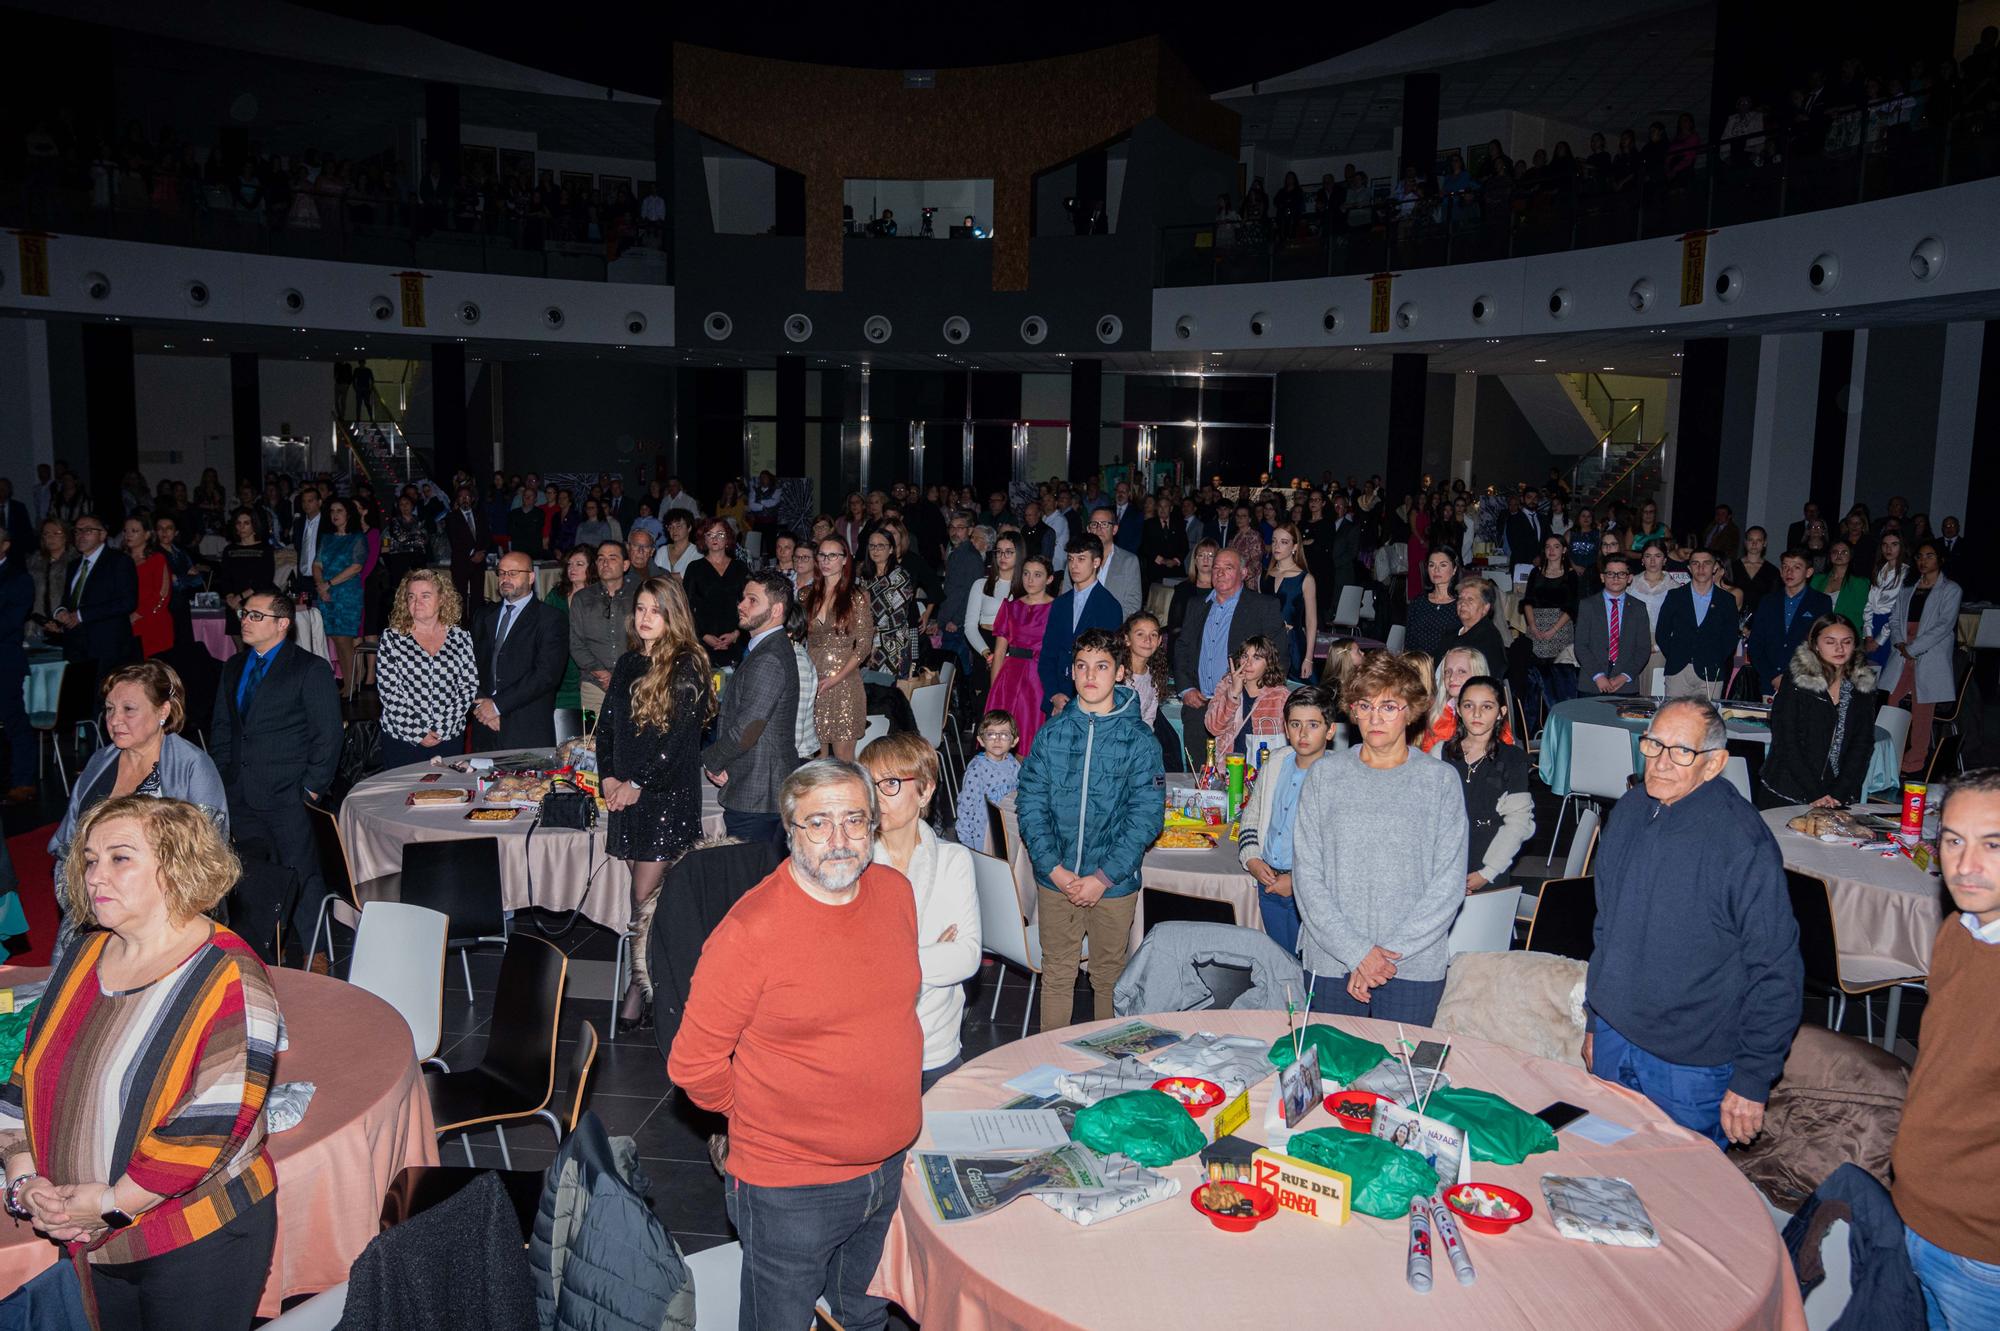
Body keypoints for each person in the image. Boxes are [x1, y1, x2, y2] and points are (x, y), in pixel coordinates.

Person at [0, 796, 280, 1328]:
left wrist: (110, 1203)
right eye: (88, 860)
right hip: (88, 1233)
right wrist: (25, 1180)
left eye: (119, 858)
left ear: (176, 868)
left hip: (196, 1236)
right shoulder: (85, 955)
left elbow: (211, 1124)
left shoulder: (229, 977)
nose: (93, 876)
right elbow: (25, 1075)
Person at [668, 760, 918, 1331]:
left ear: (875, 826)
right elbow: (693, 1064)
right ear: (789, 829)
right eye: (818, 823)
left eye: (854, 821)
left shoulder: (895, 894)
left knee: (867, 1316)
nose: (838, 840)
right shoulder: (749, 933)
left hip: (889, 1168)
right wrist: (760, 1119)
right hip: (791, 1191)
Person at [1584, 697, 1801, 1147]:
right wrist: (1594, 1019)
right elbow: (1606, 926)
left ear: (1714, 764)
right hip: (1614, 1036)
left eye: (1681, 751)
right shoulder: (1627, 813)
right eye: (1653, 745)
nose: (1661, 763)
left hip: (1690, 1064)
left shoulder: (1741, 843)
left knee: (1681, 1199)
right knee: (1603, 1176)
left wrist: (1752, 1078)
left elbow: (1777, 969)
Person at [1293, 651, 1467, 1024]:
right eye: (1365, 705)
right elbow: (1307, 877)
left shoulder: (1439, 782)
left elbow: (1448, 886)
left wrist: (1382, 958)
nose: (1375, 717)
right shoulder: (1325, 776)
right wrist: (1357, 953)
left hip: (1413, 965)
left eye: (1389, 706)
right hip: (1332, 959)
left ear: (1411, 710)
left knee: (1406, 1081)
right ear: (1351, 711)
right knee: (1332, 1078)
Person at [1894, 768, 2000, 1329]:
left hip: (1983, 1257)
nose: (1966, 865)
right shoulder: (1959, 930)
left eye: (1993, 844)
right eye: (1954, 840)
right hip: (1918, 1216)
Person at [1018, 627, 1165, 1030]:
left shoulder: (1139, 741)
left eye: (1101, 666)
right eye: (1082, 666)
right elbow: (1030, 805)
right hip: (1057, 880)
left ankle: (1108, 1071)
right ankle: (1049, 1073)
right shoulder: (1052, 734)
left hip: (1112, 883)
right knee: (1058, 975)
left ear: (1120, 673)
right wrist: (1055, 869)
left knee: (1109, 978)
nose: (1090, 675)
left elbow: (1146, 817)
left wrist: (1103, 877)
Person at [46, 659, 228, 942]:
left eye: (129, 709)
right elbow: (68, 845)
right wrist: (88, 902)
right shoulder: (99, 763)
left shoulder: (192, 767)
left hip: (165, 925)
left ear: (163, 711)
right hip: (95, 911)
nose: (115, 720)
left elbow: (206, 859)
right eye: (109, 709)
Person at [601, 576, 714, 1028]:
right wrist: (608, 775)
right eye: (641, 609)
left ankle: (638, 985)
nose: (645, 618)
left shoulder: (688, 664)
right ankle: (667, 977)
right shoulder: (629, 661)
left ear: (672, 615)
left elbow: (678, 739)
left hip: (665, 796)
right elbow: (607, 726)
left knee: (641, 896)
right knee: (652, 903)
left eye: (655, 610)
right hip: (626, 794)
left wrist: (638, 783)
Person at [210, 589, 342, 956]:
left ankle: (317, 950)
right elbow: (223, 727)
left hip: (289, 793)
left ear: (282, 624)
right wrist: (224, 775)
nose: (246, 622)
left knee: (301, 872)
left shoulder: (309, 668)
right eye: (245, 615)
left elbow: (328, 735)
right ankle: (260, 950)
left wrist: (312, 789)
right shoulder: (234, 666)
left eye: (256, 616)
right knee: (250, 874)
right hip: (240, 790)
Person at [861, 731, 979, 1091]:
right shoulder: (853, 865)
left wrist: (888, 963)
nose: (878, 796)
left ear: (925, 790)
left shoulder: (952, 860)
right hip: (867, 1050)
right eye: (870, 784)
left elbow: (967, 958)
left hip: (935, 1047)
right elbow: (849, 967)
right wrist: (930, 956)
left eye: (892, 783)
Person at [1237, 684, 1336, 956]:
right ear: (1285, 726)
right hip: (1268, 879)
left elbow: (1338, 848)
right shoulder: (1276, 762)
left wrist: (1295, 882)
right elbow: (1252, 817)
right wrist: (1253, 859)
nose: (1303, 734)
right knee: (1280, 963)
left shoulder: (1337, 777)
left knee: (1308, 965)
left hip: (1310, 890)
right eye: (1295, 724)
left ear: (1330, 730)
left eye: (1313, 725)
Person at [701, 572, 800, 843]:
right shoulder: (768, 648)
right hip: (759, 786)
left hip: (758, 792)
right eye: (743, 598)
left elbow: (748, 728)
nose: (741, 605)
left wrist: (712, 758)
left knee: (748, 878)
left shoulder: (769, 656)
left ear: (776, 610)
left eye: (752, 600)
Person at [1173, 547, 1287, 762]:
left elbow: (1279, 656)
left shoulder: (1262, 606)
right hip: (1199, 705)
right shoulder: (1196, 605)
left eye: (1228, 567)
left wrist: (1258, 698)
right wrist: (1186, 688)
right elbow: (1182, 648)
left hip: (1242, 710)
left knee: (1243, 781)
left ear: (1243, 573)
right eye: (1216, 568)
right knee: (1200, 779)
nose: (1220, 572)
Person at [1757, 613, 1878, 809]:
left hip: (1837, 793)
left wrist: (1840, 791)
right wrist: (1815, 792)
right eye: (1830, 642)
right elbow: (1787, 740)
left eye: (1846, 642)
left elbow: (1862, 744)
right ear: (1815, 645)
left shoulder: (1862, 685)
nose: (1839, 649)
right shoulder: (1797, 681)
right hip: (1788, 788)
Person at [375, 569, 479, 772]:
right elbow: (389, 692)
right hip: (403, 738)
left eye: (425, 596)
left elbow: (468, 686)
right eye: (411, 596)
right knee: (403, 799)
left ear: (442, 599)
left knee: (449, 796)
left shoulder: (460, 637)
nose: (416, 602)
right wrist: (417, 732)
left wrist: (441, 728)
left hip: (448, 736)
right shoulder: (392, 638)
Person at [1442, 676, 1535, 891]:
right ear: (1458, 709)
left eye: (1487, 706)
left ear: (1501, 712)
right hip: (1445, 862)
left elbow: (1518, 823)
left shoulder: (1513, 759)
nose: (1476, 714)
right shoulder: (1440, 753)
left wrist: (1488, 872)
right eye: (1468, 705)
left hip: (1488, 863)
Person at [1879, 539, 1962, 776]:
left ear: (1940, 559)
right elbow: (1895, 620)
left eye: (1929, 556)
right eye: (1919, 556)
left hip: (1928, 653)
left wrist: (1914, 648)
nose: (1923, 561)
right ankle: (1886, 756)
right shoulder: (1908, 589)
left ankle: (1914, 762)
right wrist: (1899, 642)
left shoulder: (1951, 589)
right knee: (1890, 702)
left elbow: (1944, 625)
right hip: (1903, 650)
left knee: (1922, 709)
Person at [470, 551, 569, 749]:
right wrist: (483, 706)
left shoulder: (550, 618)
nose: (505, 578)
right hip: (484, 725)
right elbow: (468, 664)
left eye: (513, 573)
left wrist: (497, 706)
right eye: (502, 573)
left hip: (527, 727)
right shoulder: (483, 615)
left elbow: (546, 674)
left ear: (531, 577)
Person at [803, 539, 874, 762]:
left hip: (845, 684)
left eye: (832, 556)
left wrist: (836, 678)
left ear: (844, 560)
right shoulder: (805, 595)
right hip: (813, 681)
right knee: (817, 758)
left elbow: (863, 645)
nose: (826, 561)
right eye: (822, 555)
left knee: (845, 758)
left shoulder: (857, 596)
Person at [52, 512, 137, 692]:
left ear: (103, 535)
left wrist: (82, 615)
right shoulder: (74, 565)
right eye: (77, 531)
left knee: (103, 697)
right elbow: (70, 599)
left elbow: (128, 602)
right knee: (77, 698)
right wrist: (60, 611)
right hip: (75, 643)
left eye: (88, 530)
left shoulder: (118, 561)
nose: (81, 535)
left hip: (105, 644)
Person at [986, 555, 1056, 755]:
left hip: (1038, 678)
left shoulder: (1057, 609)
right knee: (1001, 738)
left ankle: (1027, 784)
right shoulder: (1011, 607)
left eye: (1037, 575)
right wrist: (994, 690)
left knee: (1030, 738)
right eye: (1026, 574)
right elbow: (999, 651)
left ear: (1049, 579)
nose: (1030, 580)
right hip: (1009, 677)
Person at [1655, 548, 1741, 699]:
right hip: (1678, 669)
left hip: (1711, 670)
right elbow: (1662, 632)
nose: (1701, 568)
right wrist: (1676, 654)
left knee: (1707, 720)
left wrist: (1715, 658)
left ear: (1715, 567)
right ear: (1689, 568)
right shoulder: (1675, 596)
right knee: (1674, 718)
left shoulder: (1727, 600)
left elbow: (1730, 638)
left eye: (1706, 563)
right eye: (1695, 563)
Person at [569, 539, 641, 717]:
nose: (605, 563)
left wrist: (622, 675)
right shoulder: (582, 599)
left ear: (625, 565)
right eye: (600, 558)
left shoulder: (639, 595)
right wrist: (603, 674)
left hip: (635, 681)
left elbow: (648, 639)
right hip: (594, 683)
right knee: (593, 739)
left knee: (634, 740)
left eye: (612, 558)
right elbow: (575, 643)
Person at [1747, 551, 1833, 695]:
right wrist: (1772, 675)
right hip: (1770, 681)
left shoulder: (1821, 602)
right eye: (1785, 567)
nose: (1789, 571)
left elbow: (1821, 646)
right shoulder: (1768, 601)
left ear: (1809, 572)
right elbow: (1755, 644)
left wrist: (1795, 678)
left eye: (1797, 567)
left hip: (1804, 682)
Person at [1517, 534, 1579, 731]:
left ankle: (1557, 724)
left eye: (1556, 546)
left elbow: (1572, 607)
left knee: (1556, 678)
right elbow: (1527, 601)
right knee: (1534, 678)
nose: (1551, 550)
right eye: (1548, 547)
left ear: (1564, 550)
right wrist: (1533, 626)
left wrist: (1553, 630)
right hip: (1536, 625)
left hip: (1560, 628)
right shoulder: (1536, 572)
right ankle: (1534, 725)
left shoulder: (1571, 575)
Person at [1573, 553, 1653, 696]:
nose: (1616, 578)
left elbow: (1643, 648)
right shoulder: (1587, 605)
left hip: (1626, 685)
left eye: (1621, 574)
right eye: (1610, 574)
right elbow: (1581, 645)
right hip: (1592, 683)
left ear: (1629, 578)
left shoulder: (1639, 607)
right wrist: (1598, 676)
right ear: (1602, 577)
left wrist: (1624, 676)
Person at [313, 498, 366, 701]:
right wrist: (321, 586)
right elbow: (316, 564)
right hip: (326, 594)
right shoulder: (326, 538)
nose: (335, 514)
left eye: (340, 510)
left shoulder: (357, 538)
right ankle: (348, 683)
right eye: (332, 510)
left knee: (345, 641)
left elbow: (356, 567)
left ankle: (351, 684)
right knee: (336, 639)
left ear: (348, 514)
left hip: (347, 595)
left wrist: (329, 584)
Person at [1204, 635, 1289, 758]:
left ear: (1269, 663)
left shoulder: (1280, 696)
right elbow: (1213, 728)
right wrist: (1233, 694)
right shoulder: (1226, 685)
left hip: (1266, 768)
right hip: (1231, 766)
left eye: (1257, 657)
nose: (1248, 663)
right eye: (1245, 656)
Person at [684, 518, 750, 667]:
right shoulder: (694, 568)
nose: (715, 538)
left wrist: (736, 634)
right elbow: (686, 606)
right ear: (703, 540)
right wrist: (703, 635)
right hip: (702, 639)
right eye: (709, 534)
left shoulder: (740, 567)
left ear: (727, 538)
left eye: (720, 534)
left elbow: (749, 603)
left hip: (735, 638)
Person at [952, 710, 1020, 854]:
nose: (997, 739)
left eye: (1004, 734)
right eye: (991, 734)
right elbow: (966, 806)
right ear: (981, 740)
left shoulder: (1014, 764)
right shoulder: (977, 769)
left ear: (1014, 741)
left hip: (1006, 830)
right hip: (981, 834)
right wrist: (967, 841)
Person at [858, 528, 920, 679]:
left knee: (889, 694)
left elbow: (897, 616)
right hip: (868, 640)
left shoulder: (900, 576)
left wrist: (872, 635)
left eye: (881, 546)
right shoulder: (865, 577)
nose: (875, 550)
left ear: (891, 549)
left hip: (893, 643)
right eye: (872, 546)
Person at [961, 532, 1017, 694]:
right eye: (998, 551)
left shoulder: (1025, 588)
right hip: (983, 645)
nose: (1002, 556)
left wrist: (1005, 655)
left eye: (1009, 552)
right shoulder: (981, 584)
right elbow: (970, 626)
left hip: (1013, 649)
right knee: (984, 703)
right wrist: (987, 654)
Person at [1261, 524, 1318, 680]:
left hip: (1294, 645)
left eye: (1284, 542)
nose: (1276, 546)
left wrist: (1308, 658)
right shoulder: (1265, 575)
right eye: (1274, 541)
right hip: (1267, 644)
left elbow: (1311, 621)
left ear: (1295, 547)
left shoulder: (1305, 579)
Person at [546, 545, 593, 713]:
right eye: (570, 564)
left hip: (587, 670)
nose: (572, 568)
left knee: (588, 728)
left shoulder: (598, 597)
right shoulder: (556, 595)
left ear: (591, 568)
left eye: (579, 564)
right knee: (561, 726)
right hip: (559, 666)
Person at [938, 513, 985, 678]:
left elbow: (972, 591)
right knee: (951, 671)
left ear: (970, 530)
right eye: (952, 527)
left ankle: (963, 702)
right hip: (952, 620)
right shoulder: (956, 554)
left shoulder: (971, 557)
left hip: (958, 624)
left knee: (957, 672)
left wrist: (957, 620)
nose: (954, 532)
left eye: (960, 528)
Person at [121, 516, 174, 659]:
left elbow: (162, 594)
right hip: (125, 623)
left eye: (134, 531)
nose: (128, 535)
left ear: (147, 534)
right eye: (126, 531)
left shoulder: (157, 559)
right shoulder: (120, 560)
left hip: (153, 622)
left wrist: (136, 615)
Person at [1861, 529, 1909, 670]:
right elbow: (1869, 604)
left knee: (1884, 670)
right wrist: (1868, 635)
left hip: (1891, 627)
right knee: (1869, 672)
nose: (1889, 549)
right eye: (1885, 545)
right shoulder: (1879, 569)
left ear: (1901, 547)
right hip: (1874, 623)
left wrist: (1879, 640)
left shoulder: (1907, 573)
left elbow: (1898, 611)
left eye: (1894, 544)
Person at [1084, 507, 1142, 620]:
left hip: (1114, 628)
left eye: (1105, 524)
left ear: (1114, 529)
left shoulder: (1128, 561)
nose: (1099, 528)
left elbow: (1133, 604)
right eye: (1094, 524)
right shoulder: (1075, 560)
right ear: (1088, 529)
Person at [1406, 548, 1462, 662]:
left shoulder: (1461, 604)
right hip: (1419, 665)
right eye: (1432, 565)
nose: (1436, 570)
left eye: (1443, 565)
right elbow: (1409, 642)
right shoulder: (1418, 603)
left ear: (1454, 569)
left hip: (1449, 666)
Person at [443, 484, 489, 614]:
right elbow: (455, 541)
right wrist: (472, 554)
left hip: (479, 562)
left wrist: (482, 552)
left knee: (478, 597)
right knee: (460, 597)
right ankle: (461, 628)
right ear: (457, 500)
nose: (464, 499)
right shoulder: (452, 517)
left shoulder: (480, 515)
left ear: (472, 499)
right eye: (461, 497)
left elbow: (487, 536)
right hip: (461, 562)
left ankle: (476, 626)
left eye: (467, 496)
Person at [1449, 575, 1508, 671]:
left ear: (1485, 608)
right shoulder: (1452, 630)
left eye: (1470, 599)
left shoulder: (1488, 639)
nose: (1462, 603)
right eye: (1460, 598)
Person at [1811, 539, 1868, 633]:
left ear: (1851, 556)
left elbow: (1862, 614)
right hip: (1820, 630)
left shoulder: (1861, 583)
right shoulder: (1817, 580)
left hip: (1848, 632)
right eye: (1835, 552)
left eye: (1844, 552)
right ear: (1830, 555)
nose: (1839, 554)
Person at [1166, 540, 1218, 639]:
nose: (1206, 560)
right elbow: (1175, 625)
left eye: (1210, 556)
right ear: (1195, 560)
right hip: (1187, 642)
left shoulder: (1223, 588)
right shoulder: (1183, 589)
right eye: (1201, 555)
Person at [1726, 525, 1780, 618]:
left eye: (1758, 540)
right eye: (1751, 540)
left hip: (1762, 619)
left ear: (1765, 543)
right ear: (1745, 542)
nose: (1754, 544)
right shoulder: (1732, 567)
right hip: (1733, 617)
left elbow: (1774, 600)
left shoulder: (1772, 571)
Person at [1138, 496, 1187, 588]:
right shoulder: (1149, 524)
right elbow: (1145, 546)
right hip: (1156, 569)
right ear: (1156, 508)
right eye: (1160, 506)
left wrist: (1176, 560)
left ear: (1171, 508)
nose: (1162, 509)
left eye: (1165, 506)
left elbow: (1184, 546)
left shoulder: (1179, 524)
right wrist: (1162, 560)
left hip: (1175, 569)